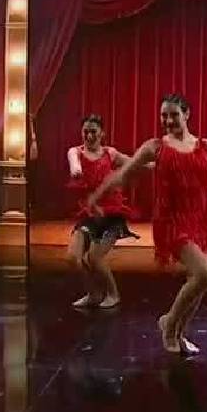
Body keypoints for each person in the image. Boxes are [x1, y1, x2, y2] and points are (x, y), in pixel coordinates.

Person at [87, 93, 207, 355]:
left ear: (187, 114)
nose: (168, 120)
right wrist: (95, 197)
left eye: (173, 115)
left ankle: (180, 331)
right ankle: (169, 324)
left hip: (199, 221)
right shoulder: (154, 147)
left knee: (199, 280)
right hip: (171, 223)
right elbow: (122, 174)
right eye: (164, 115)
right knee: (206, 274)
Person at [65, 114, 138, 309]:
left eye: (93, 132)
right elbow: (74, 164)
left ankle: (114, 294)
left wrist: (156, 164)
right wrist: (76, 170)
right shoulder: (75, 152)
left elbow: (134, 163)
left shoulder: (110, 153)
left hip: (111, 214)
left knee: (94, 258)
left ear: (102, 133)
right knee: (73, 258)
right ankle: (94, 293)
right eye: (85, 132)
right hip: (90, 214)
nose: (89, 136)